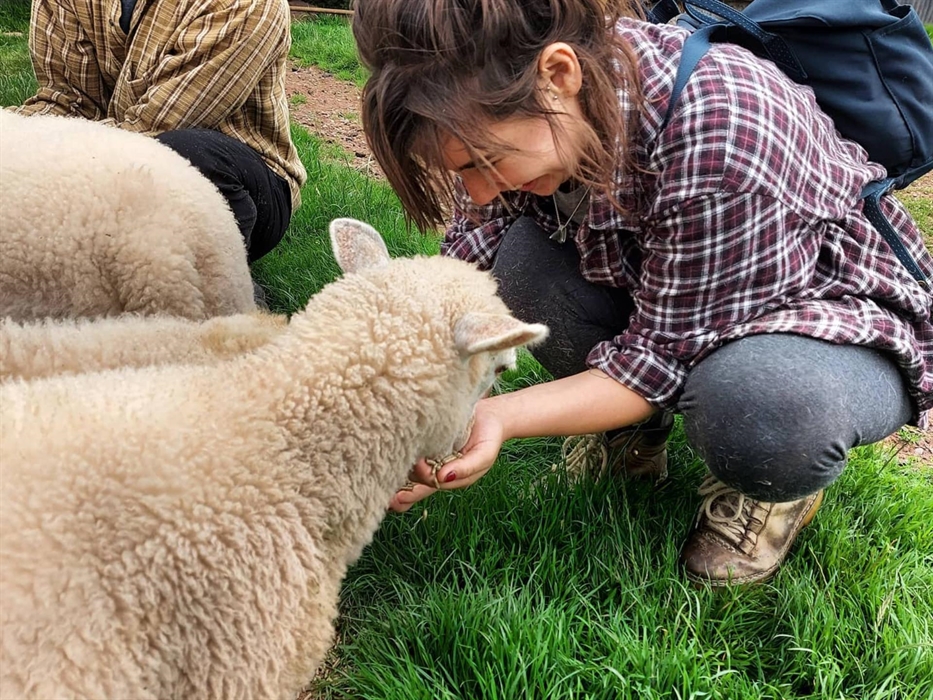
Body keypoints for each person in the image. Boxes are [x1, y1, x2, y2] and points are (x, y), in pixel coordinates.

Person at [352, 0, 933, 586]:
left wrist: (492, 417)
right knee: (520, 266)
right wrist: (407, 397)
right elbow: (467, 257)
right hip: (678, 290)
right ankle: (631, 436)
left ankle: (770, 484)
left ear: (558, 75)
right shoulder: (519, 105)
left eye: (487, 162)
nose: (478, 192)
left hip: (824, 318)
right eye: (461, 171)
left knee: (758, 404)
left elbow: (658, 360)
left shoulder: (721, 132)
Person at [12, 0, 307, 265]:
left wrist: (47, 167)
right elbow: (68, 101)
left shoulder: (246, 5)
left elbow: (155, 127)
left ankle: (215, 285)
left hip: (239, 177)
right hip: (111, 158)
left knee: (181, 157)